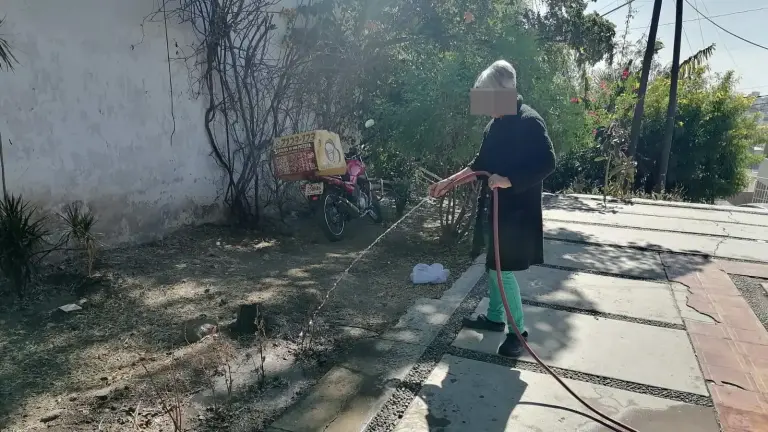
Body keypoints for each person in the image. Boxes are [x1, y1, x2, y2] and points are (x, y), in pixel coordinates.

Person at [428, 60, 556, 357]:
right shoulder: (494, 125)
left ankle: (518, 332)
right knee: (493, 264)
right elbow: (479, 164)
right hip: (494, 209)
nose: (486, 107)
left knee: (504, 270)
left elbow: (548, 163)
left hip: (517, 212)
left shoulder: (529, 121)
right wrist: (449, 182)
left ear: (506, 92)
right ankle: (496, 318)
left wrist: (509, 181)